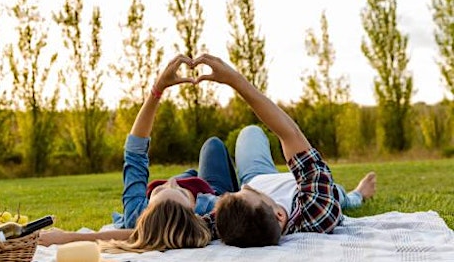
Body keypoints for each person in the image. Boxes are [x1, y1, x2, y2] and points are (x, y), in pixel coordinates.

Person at [38, 53, 376, 250]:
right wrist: (235, 81)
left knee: (230, 142)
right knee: (254, 133)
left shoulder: (220, 222)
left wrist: (63, 238)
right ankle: (358, 195)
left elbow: (139, 232)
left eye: (238, 192)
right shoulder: (318, 211)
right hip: (274, 175)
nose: (238, 188)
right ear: (277, 215)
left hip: (261, 180)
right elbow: (288, 132)